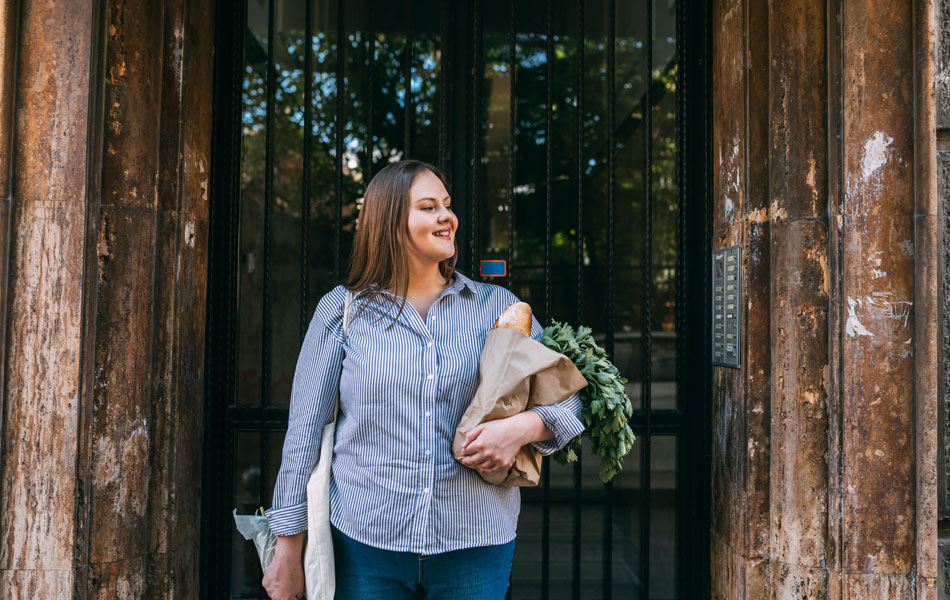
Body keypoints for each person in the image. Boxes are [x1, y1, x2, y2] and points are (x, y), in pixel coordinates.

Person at [261, 160, 584, 600]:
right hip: (365, 544)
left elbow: (569, 402)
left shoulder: (499, 308)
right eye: (429, 207)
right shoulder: (342, 312)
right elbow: (303, 433)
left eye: (447, 206)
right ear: (392, 223)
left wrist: (520, 429)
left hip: (475, 542)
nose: (446, 217)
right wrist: (286, 547)